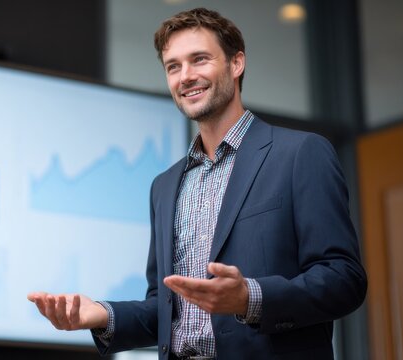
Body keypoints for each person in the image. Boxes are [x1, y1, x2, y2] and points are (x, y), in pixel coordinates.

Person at [27, 7, 367, 360]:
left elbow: (344, 279)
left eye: (199, 60)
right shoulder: (165, 186)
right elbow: (166, 308)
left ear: (236, 64)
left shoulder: (300, 154)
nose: (185, 76)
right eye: (173, 66)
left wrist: (250, 297)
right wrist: (101, 314)